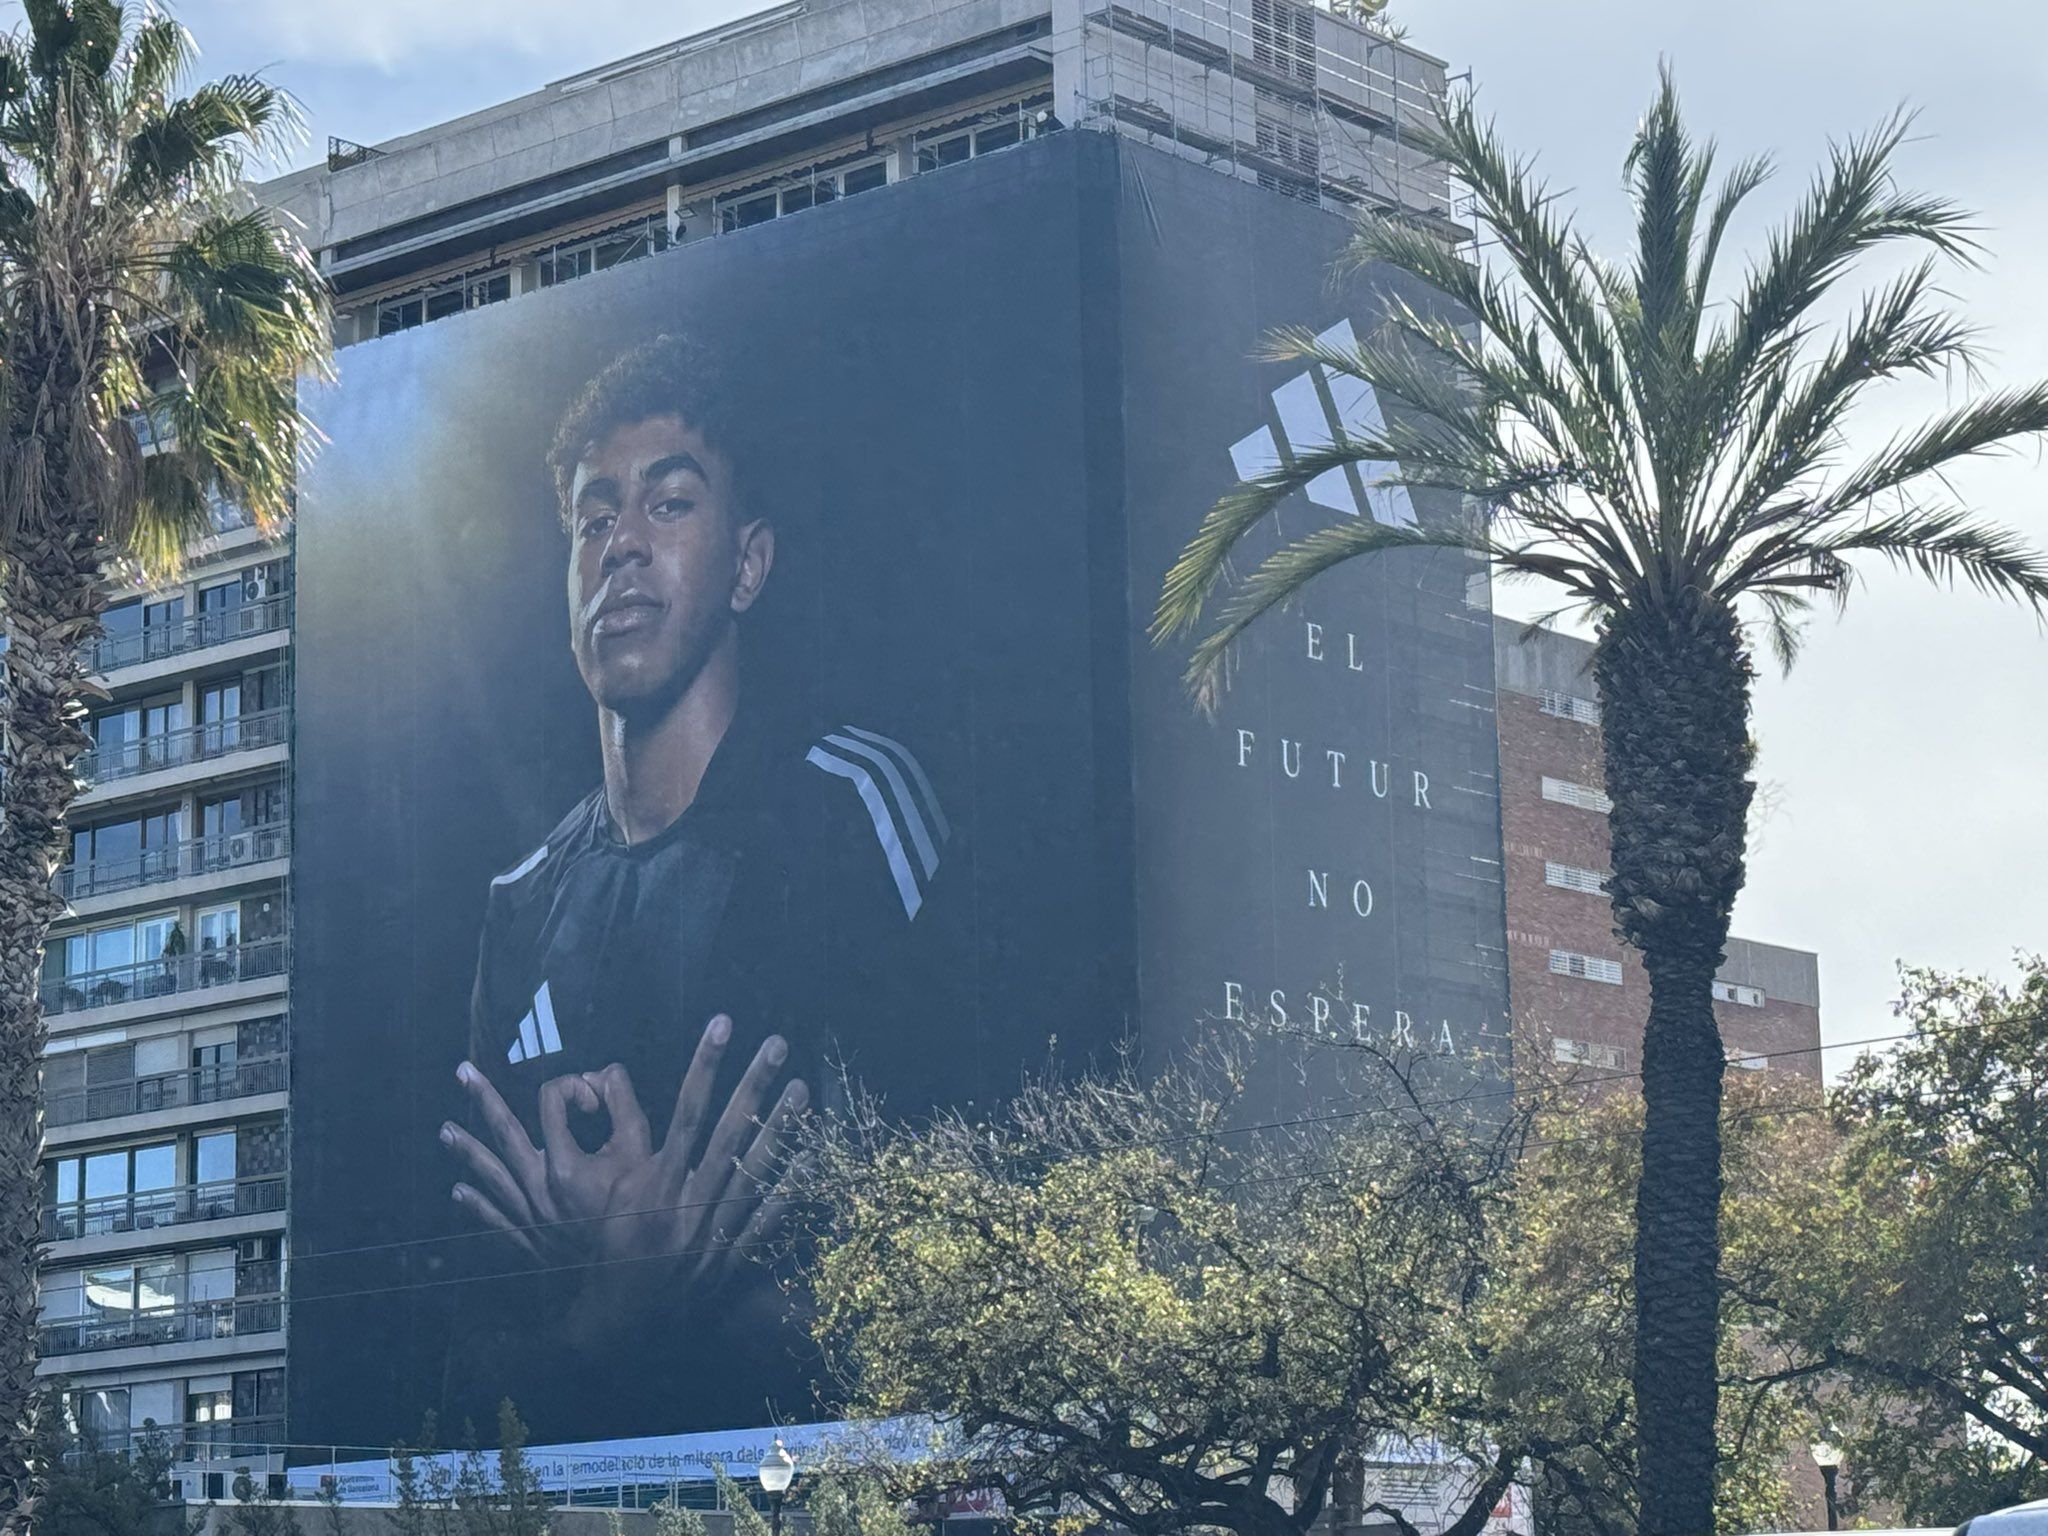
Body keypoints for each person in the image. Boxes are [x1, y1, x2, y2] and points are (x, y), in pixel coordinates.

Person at [434, 333, 955, 1437]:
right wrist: (606, 1304)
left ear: (747, 565)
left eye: (668, 506)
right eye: (592, 519)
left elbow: (957, 1216)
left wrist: (653, 1281)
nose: (620, 545)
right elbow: (458, 1345)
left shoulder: (853, 811)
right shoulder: (520, 903)